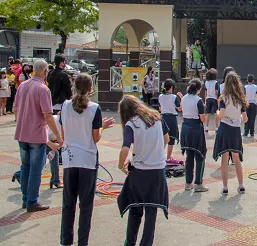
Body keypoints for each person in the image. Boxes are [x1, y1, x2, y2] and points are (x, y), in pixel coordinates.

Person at [60, 73, 114, 246]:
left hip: (69, 159)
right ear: (91, 88)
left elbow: (63, 133)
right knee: (86, 205)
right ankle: (82, 242)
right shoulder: (94, 108)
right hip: (88, 161)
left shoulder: (65, 105)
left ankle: (65, 240)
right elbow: (95, 138)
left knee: (68, 202)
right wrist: (102, 127)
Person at [117, 95, 169, 246]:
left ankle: (130, 243)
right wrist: (155, 153)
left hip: (139, 172)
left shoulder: (131, 124)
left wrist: (121, 165)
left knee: (135, 210)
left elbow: (125, 148)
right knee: (151, 213)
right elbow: (166, 139)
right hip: (158, 171)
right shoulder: (157, 118)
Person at [14, 59, 63, 212]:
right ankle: (32, 201)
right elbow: (48, 116)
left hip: (22, 133)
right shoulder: (43, 89)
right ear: (45, 72)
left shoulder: (23, 86)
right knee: (35, 170)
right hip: (36, 135)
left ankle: (25, 199)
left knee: (26, 167)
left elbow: (15, 108)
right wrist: (58, 136)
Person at [213, 72, 248, 195]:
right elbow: (245, 119)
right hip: (235, 130)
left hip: (225, 128)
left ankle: (225, 187)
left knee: (225, 158)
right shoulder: (240, 98)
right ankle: (241, 185)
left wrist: (217, 113)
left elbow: (221, 115)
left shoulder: (224, 98)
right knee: (236, 157)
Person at [180, 79, 208, 192]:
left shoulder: (184, 98)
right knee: (200, 156)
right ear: (198, 89)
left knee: (189, 156)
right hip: (196, 128)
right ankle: (198, 183)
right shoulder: (199, 100)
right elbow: (202, 118)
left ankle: (188, 183)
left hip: (185, 127)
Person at [158, 79, 183, 162]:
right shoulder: (174, 97)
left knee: (162, 138)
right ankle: (168, 158)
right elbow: (180, 109)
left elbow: (160, 108)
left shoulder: (160, 96)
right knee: (171, 139)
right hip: (172, 119)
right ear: (171, 87)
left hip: (163, 118)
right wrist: (182, 99)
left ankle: (159, 156)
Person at [203, 68, 219, 133]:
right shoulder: (216, 82)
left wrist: (205, 100)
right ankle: (217, 127)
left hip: (208, 98)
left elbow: (205, 92)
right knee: (216, 113)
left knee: (207, 113)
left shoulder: (206, 82)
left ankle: (206, 127)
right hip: (214, 98)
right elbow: (216, 92)